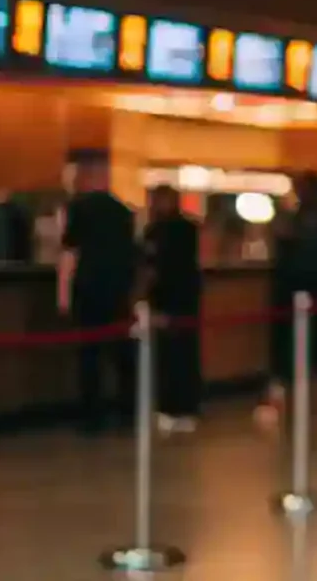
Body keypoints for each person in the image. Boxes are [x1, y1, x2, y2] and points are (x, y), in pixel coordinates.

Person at [259, 172, 317, 421]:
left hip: (294, 291)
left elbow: (281, 254)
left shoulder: (294, 221)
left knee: (292, 345)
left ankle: (283, 395)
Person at [59, 155, 140, 434]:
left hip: (90, 286)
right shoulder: (123, 211)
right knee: (122, 354)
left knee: (90, 354)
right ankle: (129, 412)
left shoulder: (78, 208)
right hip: (118, 288)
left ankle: (92, 417)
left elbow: (70, 253)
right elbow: (132, 254)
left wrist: (63, 296)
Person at [142, 185, 204, 433]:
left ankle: (171, 407)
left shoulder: (156, 231)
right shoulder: (189, 228)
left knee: (169, 356)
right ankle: (187, 407)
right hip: (186, 300)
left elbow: (154, 269)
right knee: (184, 354)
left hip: (169, 301)